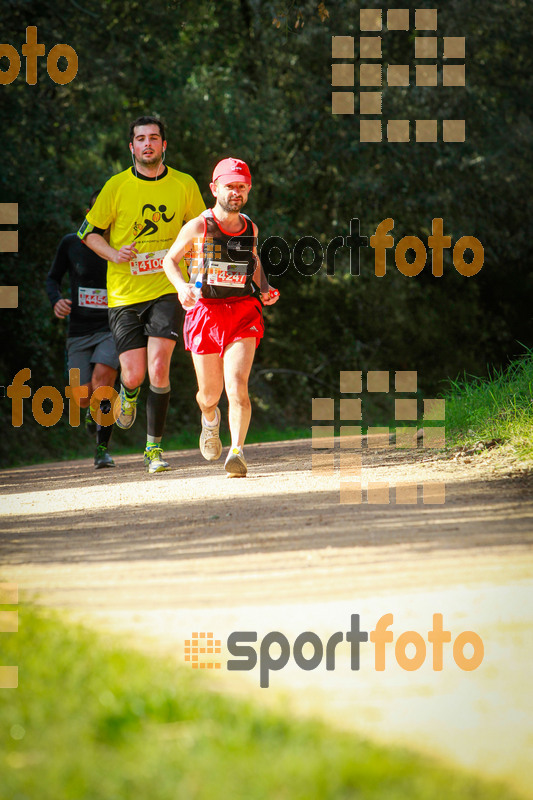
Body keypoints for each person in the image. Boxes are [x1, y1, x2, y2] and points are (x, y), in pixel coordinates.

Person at [78, 115, 205, 473]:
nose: (147, 144)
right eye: (140, 139)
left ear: (164, 145)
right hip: (124, 294)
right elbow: (87, 232)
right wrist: (114, 254)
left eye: (153, 138)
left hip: (168, 287)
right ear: (131, 146)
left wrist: (194, 272)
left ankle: (153, 450)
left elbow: (201, 230)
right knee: (132, 375)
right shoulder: (116, 186)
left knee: (159, 367)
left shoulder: (183, 184)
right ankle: (129, 395)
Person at [162, 157, 279, 477]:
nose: (236, 192)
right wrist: (181, 286)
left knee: (237, 386)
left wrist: (265, 289)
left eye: (242, 187)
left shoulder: (250, 226)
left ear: (249, 190)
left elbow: (252, 261)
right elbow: (170, 260)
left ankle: (237, 452)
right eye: (230, 186)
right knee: (209, 394)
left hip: (242, 311)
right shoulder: (200, 225)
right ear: (215, 188)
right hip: (206, 313)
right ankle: (209, 420)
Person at [46, 192, 119, 469]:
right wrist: (57, 301)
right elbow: (53, 278)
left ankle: (102, 449)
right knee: (81, 396)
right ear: (89, 212)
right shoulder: (71, 243)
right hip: (78, 330)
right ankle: (92, 414)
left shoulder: (123, 245)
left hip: (111, 326)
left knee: (103, 383)